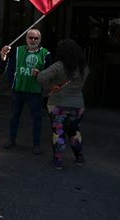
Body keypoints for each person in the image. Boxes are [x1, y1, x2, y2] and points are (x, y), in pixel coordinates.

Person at [37, 39, 89, 169]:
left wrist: (51, 85)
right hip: (78, 104)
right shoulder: (84, 67)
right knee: (74, 131)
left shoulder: (59, 66)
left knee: (59, 132)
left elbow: (41, 77)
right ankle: (79, 157)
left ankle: (58, 160)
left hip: (58, 104)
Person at [0, 29, 51, 155]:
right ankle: (11, 140)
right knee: (14, 117)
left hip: (35, 92)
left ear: (40, 40)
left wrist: (41, 74)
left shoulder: (46, 54)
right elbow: (8, 67)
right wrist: (12, 81)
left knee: (37, 119)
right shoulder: (17, 51)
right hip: (18, 90)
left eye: (36, 38)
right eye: (31, 38)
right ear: (26, 38)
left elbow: (50, 72)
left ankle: (36, 145)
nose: (33, 40)